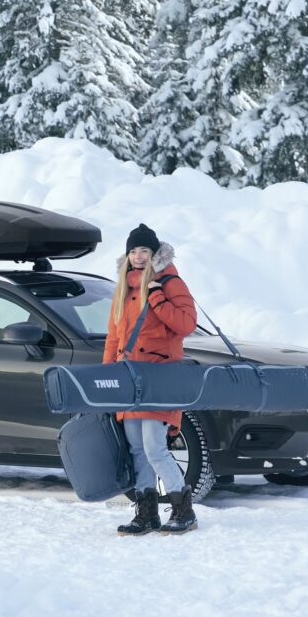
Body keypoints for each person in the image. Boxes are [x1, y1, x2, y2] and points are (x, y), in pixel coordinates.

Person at [102, 223, 199, 536]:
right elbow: (114, 337)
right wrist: (109, 377)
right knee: (137, 450)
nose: (138, 256)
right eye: (133, 251)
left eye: (144, 250)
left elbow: (186, 324)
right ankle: (147, 513)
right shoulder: (123, 289)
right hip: (130, 379)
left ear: (154, 253)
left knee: (154, 447)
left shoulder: (169, 281)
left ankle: (184, 510)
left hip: (159, 377)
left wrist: (157, 299)